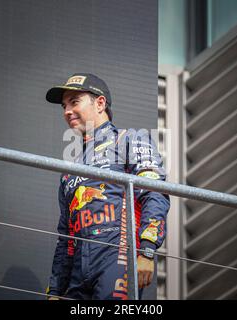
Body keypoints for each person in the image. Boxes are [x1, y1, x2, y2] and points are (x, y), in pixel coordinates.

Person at [45, 73, 170, 300]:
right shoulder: (69, 171)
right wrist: (55, 290)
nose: (67, 111)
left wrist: (147, 250)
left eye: (74, 102)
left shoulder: (130, 139)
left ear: (100, 103)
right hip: (76, 273)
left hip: (117, 257)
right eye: (64, 106)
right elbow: (65, 236)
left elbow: (154, 193)